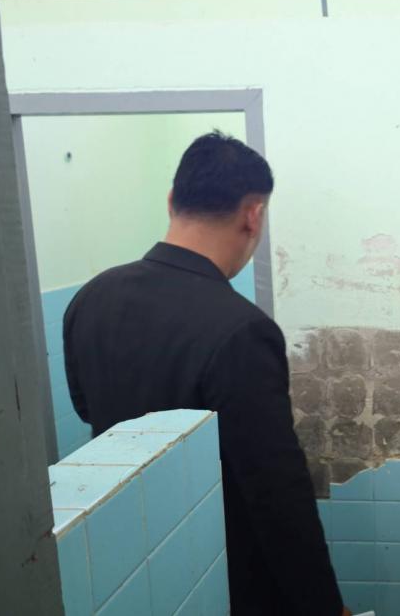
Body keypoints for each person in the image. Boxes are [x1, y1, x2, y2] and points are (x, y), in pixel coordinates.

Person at [63, 132, 348, 616]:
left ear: (171, 200)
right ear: (253, 215)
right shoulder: (242, 329)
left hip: (126, 557)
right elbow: (277, 494)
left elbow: (87, 408)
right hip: (223, 569)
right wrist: (325, 605)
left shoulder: (91, 298)